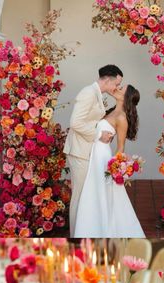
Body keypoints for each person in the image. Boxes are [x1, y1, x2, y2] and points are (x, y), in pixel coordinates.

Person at [74, 84, 145, 238]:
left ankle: (104, 228)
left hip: (103, 158)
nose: (117, 89)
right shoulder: (112, 111)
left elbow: (120, 147)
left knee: (101, 192)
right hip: (95, 154)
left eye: (121, 90)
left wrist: (114, 168)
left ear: (126, 97)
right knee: (93, 192)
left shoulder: (121, 118)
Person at [64, 65, 123, 236]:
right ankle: (74, 235)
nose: (117, 88)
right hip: (79, 151)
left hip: (86, 150)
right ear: (106, 79)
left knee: (85, 196)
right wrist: (98, 134)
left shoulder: (96, 94)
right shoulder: (88, 93)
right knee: (79, 197)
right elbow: (76, 122)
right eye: (116, 84)